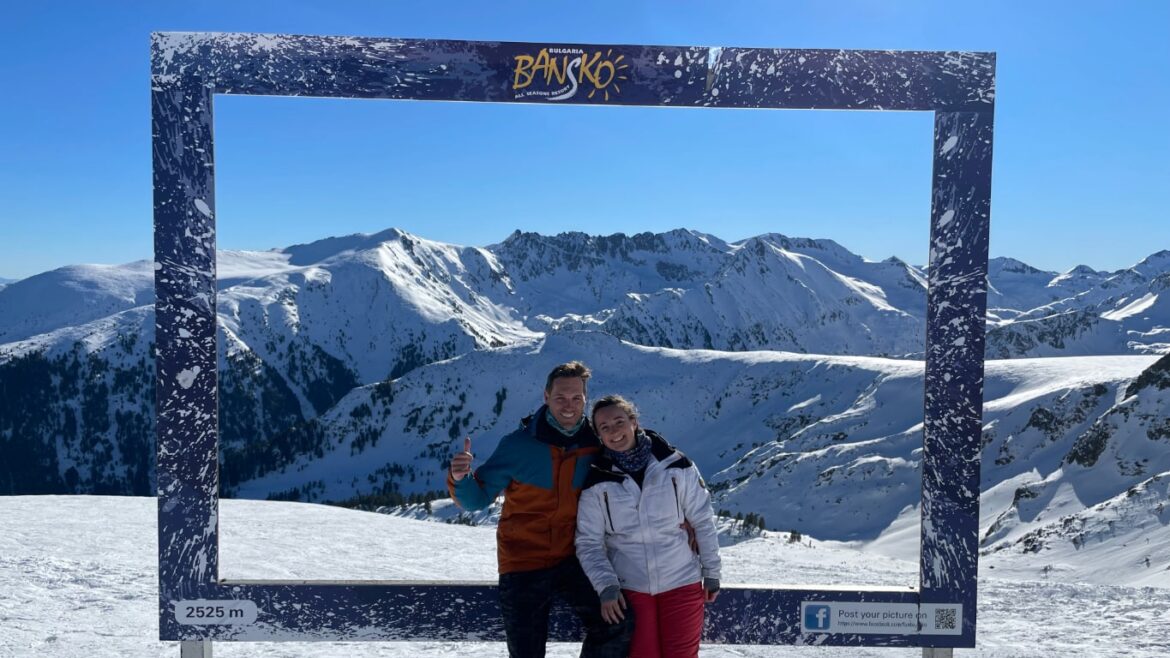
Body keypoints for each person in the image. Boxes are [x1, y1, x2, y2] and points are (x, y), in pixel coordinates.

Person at [448, 361, 632, 658]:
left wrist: (682, 519)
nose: (569, 405)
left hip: (573, 560)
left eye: (576, 398)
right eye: (560, 397)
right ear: (546, 397)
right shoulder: (519, 445)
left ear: (585, 399)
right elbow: (476, 499)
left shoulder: (596, 444)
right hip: (523, 563)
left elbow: (639, 463)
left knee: (616, 624)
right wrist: (460, 478)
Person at [574, 395, 721, 658]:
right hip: (630, 588)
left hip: (681, 581)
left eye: (619, 421)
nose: (614, 431)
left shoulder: (676, 465)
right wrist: (607, 586)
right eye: (605, 427)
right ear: (599, 435)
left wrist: (711, 570)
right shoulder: (597, 481)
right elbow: (588, 543)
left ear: (634, 422)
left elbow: (701, 519)